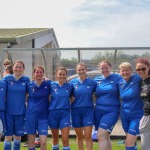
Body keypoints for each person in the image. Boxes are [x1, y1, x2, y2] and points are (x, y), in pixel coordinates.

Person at [3, 60, 30, 150]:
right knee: (8, 136)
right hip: (8, 112)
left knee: (18, 136)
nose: (18, 69)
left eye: (20, 67)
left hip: (20, 112)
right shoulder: (7, 79)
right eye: (16, 67)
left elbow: (29, 92)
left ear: (23, 69)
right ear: (13, 68)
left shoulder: (26, 80)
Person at [94, 60, 121, 150]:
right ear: (99, 69)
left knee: (101, 135)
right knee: (105, 137)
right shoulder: (97, 80)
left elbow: (130, 80)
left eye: (106, 67)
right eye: (102, 68)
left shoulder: (117, 77)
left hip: (111, 111)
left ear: (110, 67)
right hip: (98, 111)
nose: (104, 70)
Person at [70, 63, 96, 150]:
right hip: (76, 112)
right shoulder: (72, 83)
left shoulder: (92, 83)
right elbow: (67, 95)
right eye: (79, 70)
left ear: (86, 70)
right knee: (79, 137)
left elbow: (98, 94)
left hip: (88, 112)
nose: (81, 71)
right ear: (76, 71)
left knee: (88, 136)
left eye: (83, 69)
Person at [118, 62, 144, 150]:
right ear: (120, 72)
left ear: (131, 71)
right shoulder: (120, 82)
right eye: (123, 71)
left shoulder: (137, 78)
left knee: (129, 142)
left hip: (137, 115)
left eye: (127, 70)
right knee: (132, 142)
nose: (125, 72)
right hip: (125, 115)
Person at [25, 65, 51, 150]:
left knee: (43, 142)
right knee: (31, 141)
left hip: (43, 117)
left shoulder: (48, 84)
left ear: (43, 73)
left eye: (41, 72)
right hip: (31, 116)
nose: (39, 74)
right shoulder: (29, 85)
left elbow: (58, 85)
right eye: (37, 72)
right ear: (34, 73)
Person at [48, 67, 72, 150]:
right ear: (56, 75)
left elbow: (73, 97)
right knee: (55, 138)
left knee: (65, 139)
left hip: (64, 114)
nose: (62, 76)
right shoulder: (51, 85)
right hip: (53, 113)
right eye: (60, 74)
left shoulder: (69, 86)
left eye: (64, 74)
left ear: (66, 75)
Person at [136, 58, 150, 150]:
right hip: (146, 115)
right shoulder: (141, 81)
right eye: (138, 69)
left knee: (145, 145)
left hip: (148, 115)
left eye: (143, 69)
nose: (141, 71)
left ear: (148, 67)